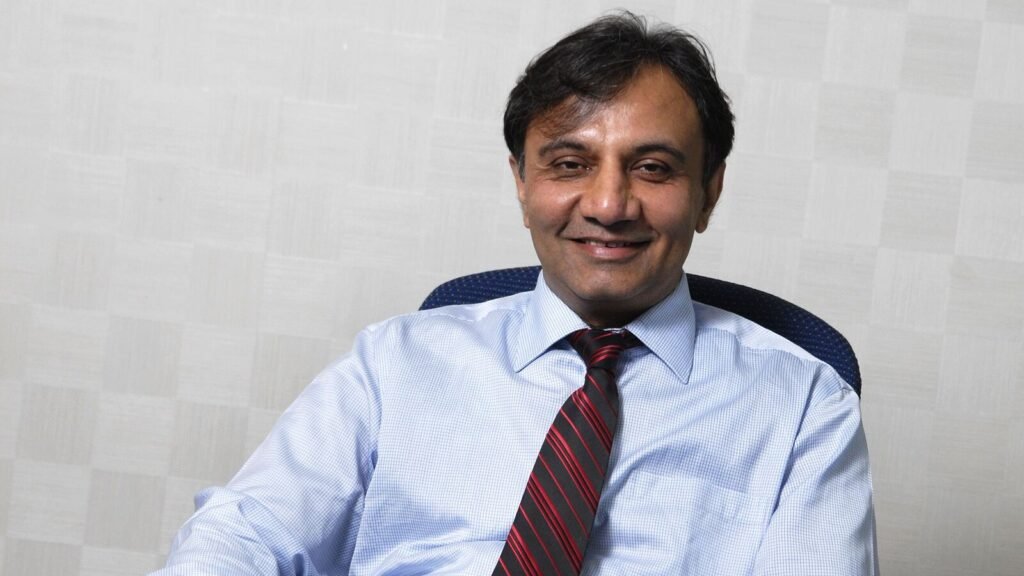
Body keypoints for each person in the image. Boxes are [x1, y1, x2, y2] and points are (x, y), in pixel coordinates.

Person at [154, 12, 878, 575]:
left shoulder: (804, 408)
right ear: (522, 182)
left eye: (653, 168)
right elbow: (241, 536)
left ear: (708, 192)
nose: (608, 205)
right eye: (570, 164)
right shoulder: (394, 364)